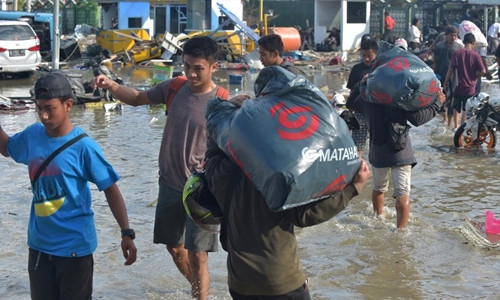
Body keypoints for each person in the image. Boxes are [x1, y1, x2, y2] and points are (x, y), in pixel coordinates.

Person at [93, 36, 227, 300]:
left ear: (214, 67)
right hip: (169, 183)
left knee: (199, 255)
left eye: (197, 68)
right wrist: (111, 84)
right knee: (175, 247)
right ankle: (200, 292)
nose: (190, 73)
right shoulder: (174, 87)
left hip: (202, 191)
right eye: (187, 66)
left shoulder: (222, 102)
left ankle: (200, 296)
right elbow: (137, 98)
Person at [204, 99, 371, 298]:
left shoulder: (217, 173)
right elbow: (305, 215)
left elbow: (213, 144)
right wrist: (353, 189)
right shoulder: (280, 175)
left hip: (240, 284)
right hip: (281, 281)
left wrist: (231, 109)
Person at [0, 72, 137, 299]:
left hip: (75, 249)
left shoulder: (84, 147)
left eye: (50, 108)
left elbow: (111, 189)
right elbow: (7, 149)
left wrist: (126, 233)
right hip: (39, 247)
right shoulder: (32, 135)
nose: (43, 116)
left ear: (68, 105)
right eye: (39, 108)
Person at [347, 80, 446, 229]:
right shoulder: (399, 99)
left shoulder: (366, 100)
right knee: (402, 193)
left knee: (379, 188)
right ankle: (401, 231)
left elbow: (350, 103)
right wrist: (438, 103)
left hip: (378, 152)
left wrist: (359, 83)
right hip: (401, 151)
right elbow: (418, 119)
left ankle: (378, 220)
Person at [443, 33, 486, 129]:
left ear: (463, 42)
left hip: (458, 85)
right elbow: (483, 71)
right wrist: (475, 77)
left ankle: (456, 127)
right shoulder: (476, 55)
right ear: (473, 43)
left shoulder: (457, 53)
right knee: (466, 109)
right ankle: (463, 128)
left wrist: (446, 81)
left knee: (456, 107)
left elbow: (451, 69)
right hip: (471, 87)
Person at [346, 38, 379, 157]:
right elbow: (351, 93)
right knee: (357, 147)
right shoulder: (356, 69)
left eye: (369, 55)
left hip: (377, 113)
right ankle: (360, 170)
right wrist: (349, 112)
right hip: (359, 113)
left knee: (378, 145)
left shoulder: (380, 69)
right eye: (363, 55)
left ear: (376, 54)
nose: (366, 58)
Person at [432, 25, 463, 127]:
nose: (453, 38)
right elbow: (435, 62)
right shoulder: (440, 46)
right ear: (446, 35)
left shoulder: (458, 48)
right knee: (440, 97)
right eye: (451, 35)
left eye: (455, 35)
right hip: (440, 75)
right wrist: (433, 74)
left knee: (452, 97)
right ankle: (444, 117)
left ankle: (450, 121)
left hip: (453, 76)